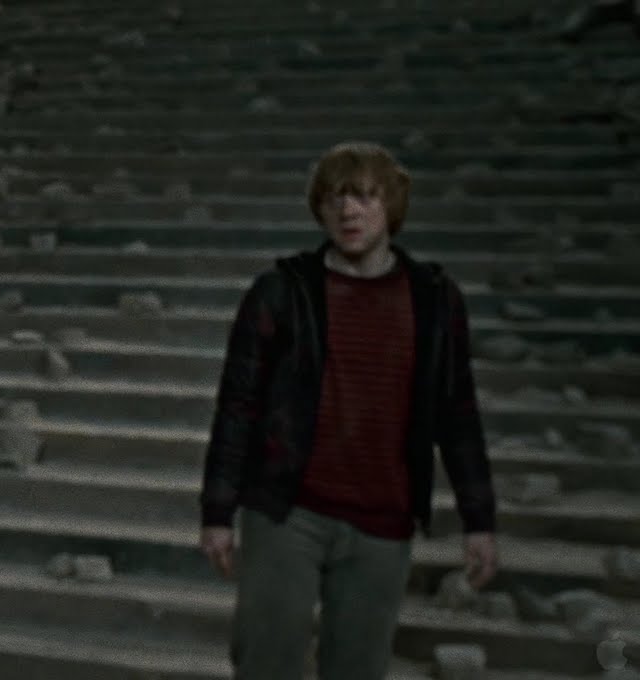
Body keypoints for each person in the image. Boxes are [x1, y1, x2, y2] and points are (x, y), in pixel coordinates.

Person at [196, 141, 500, 679]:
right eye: (335, 198)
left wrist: (479, 520)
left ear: (391, 206)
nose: (348, 211)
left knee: (358, 669)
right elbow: (238, 406)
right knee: (267, 663)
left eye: (365, 196)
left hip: (384, 520)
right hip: (288, 510)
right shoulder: (280, 293)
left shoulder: (433, 298)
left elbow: (457, 412)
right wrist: (218, 512)